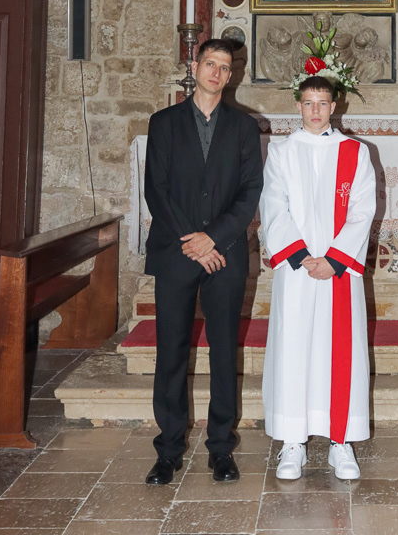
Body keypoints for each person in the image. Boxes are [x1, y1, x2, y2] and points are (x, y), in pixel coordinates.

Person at [144, 39, 263, 485]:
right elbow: (156, 189)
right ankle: (168, 450)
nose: (216, 72)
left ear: (231, 76)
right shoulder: (164, 123)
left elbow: (250, 190)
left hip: (225, 254)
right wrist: (192, 242)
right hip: (176, 252)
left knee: (223, 349)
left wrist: (214, 238)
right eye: (210, 63)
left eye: (225, 67)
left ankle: (221, 449)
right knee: (171, 350)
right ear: (194, 66)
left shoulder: (244, 127)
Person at [260, 75, 376, 481]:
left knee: (340, 350)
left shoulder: (355, 152)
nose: (315, 110)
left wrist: (335, 260)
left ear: (334, 106)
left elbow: (363, 209)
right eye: (308, 103)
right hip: (297, 270)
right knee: (293, 349)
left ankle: (340, 442)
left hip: (338, 271)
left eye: (322, 103)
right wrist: (301, 256)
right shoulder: (281, 152)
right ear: (298, 105)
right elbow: (273, 206)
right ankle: (293, 441)